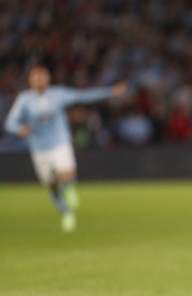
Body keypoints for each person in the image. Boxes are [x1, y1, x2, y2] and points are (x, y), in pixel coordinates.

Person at [4, 65, 127, 232]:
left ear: (48, 79)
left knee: (66, 173)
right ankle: (67, 213)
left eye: (42, 77)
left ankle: (69, 188)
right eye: (35, 77)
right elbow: (10, 122)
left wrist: (110, 91)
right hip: (39, 148)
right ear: (30, 81)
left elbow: (83, 96)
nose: (39, 80)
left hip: (59, 142)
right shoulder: (24, 99)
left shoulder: (58, 94)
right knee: (52, 185)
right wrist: (19, 129)